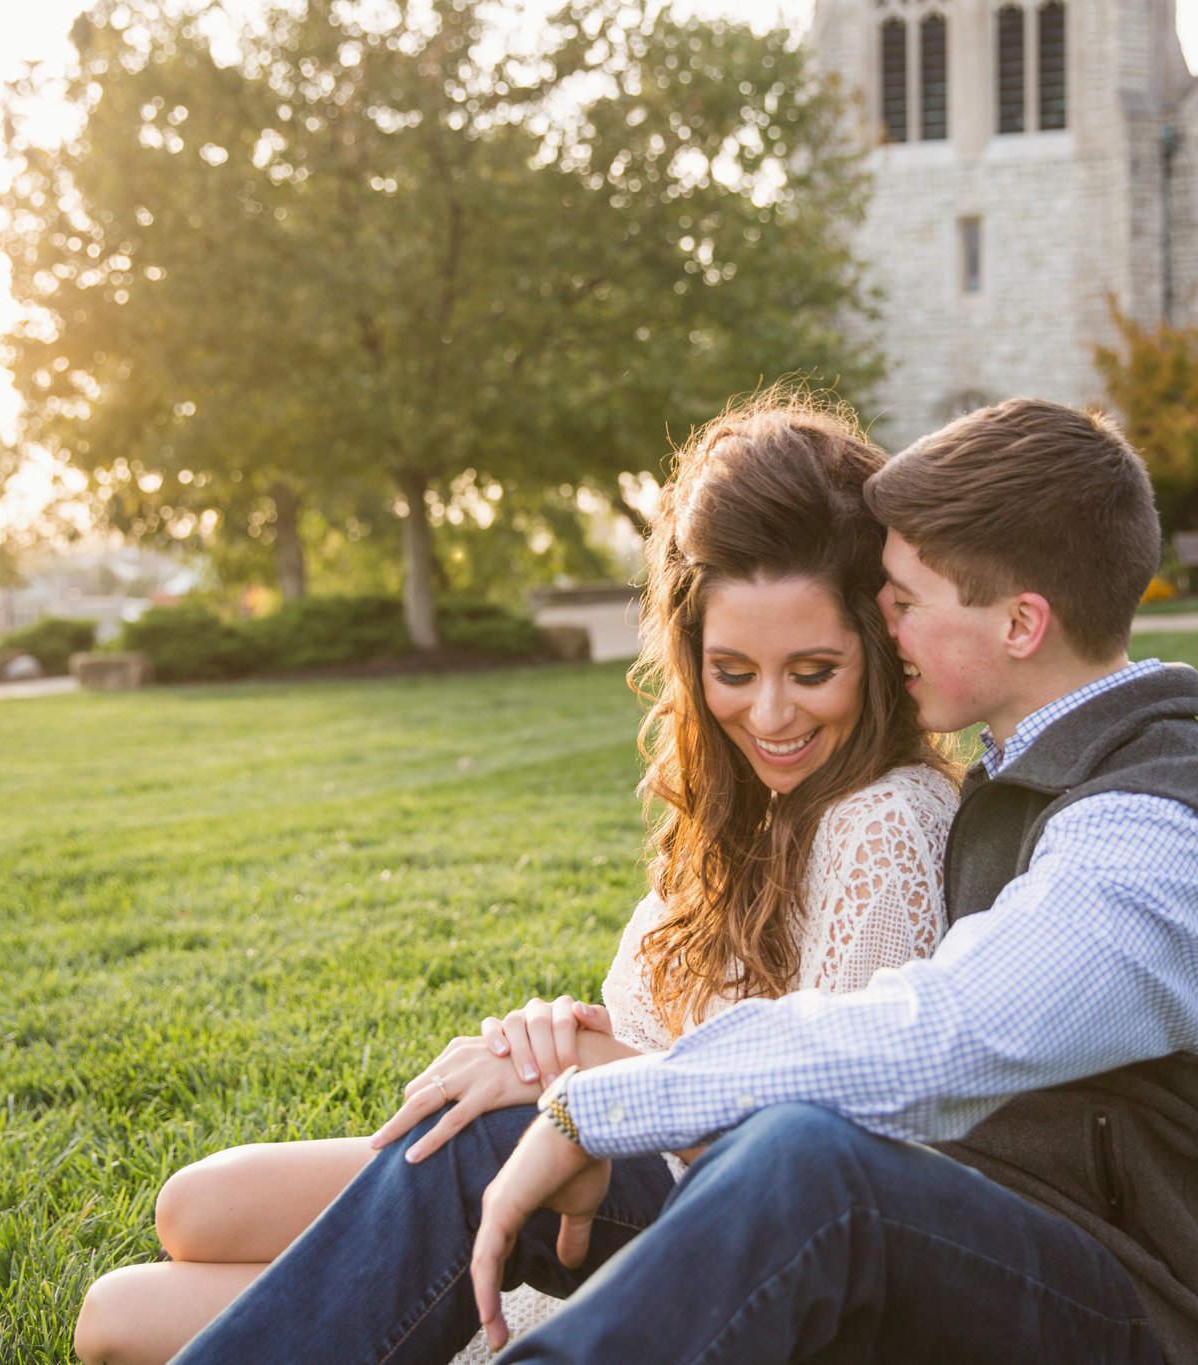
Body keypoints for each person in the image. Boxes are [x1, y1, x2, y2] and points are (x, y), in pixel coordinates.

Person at [174, 398, 1198, 1365]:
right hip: (959, 1233)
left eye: (904, 600)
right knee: (498, 1137)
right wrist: (562, 1089)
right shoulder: (1032, 777)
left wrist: (600, 1100)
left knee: (804, 1156)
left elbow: (934, 1038)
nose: (884, 622)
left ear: (1019, 622)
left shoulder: (1151, 838)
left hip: (1130, 1313)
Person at [70, 395, 961, 1365]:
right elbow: (655, 1033)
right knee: (166, 1244)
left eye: (813, 669)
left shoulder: (884, 824)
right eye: (733, 670)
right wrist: (554, 1041)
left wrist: (581, 1081)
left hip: (684, 1231)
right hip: (595, 1159)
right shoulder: (743, 808)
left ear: (877, 649)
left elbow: (821, 1167)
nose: (771, 713)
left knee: (167, 1295)